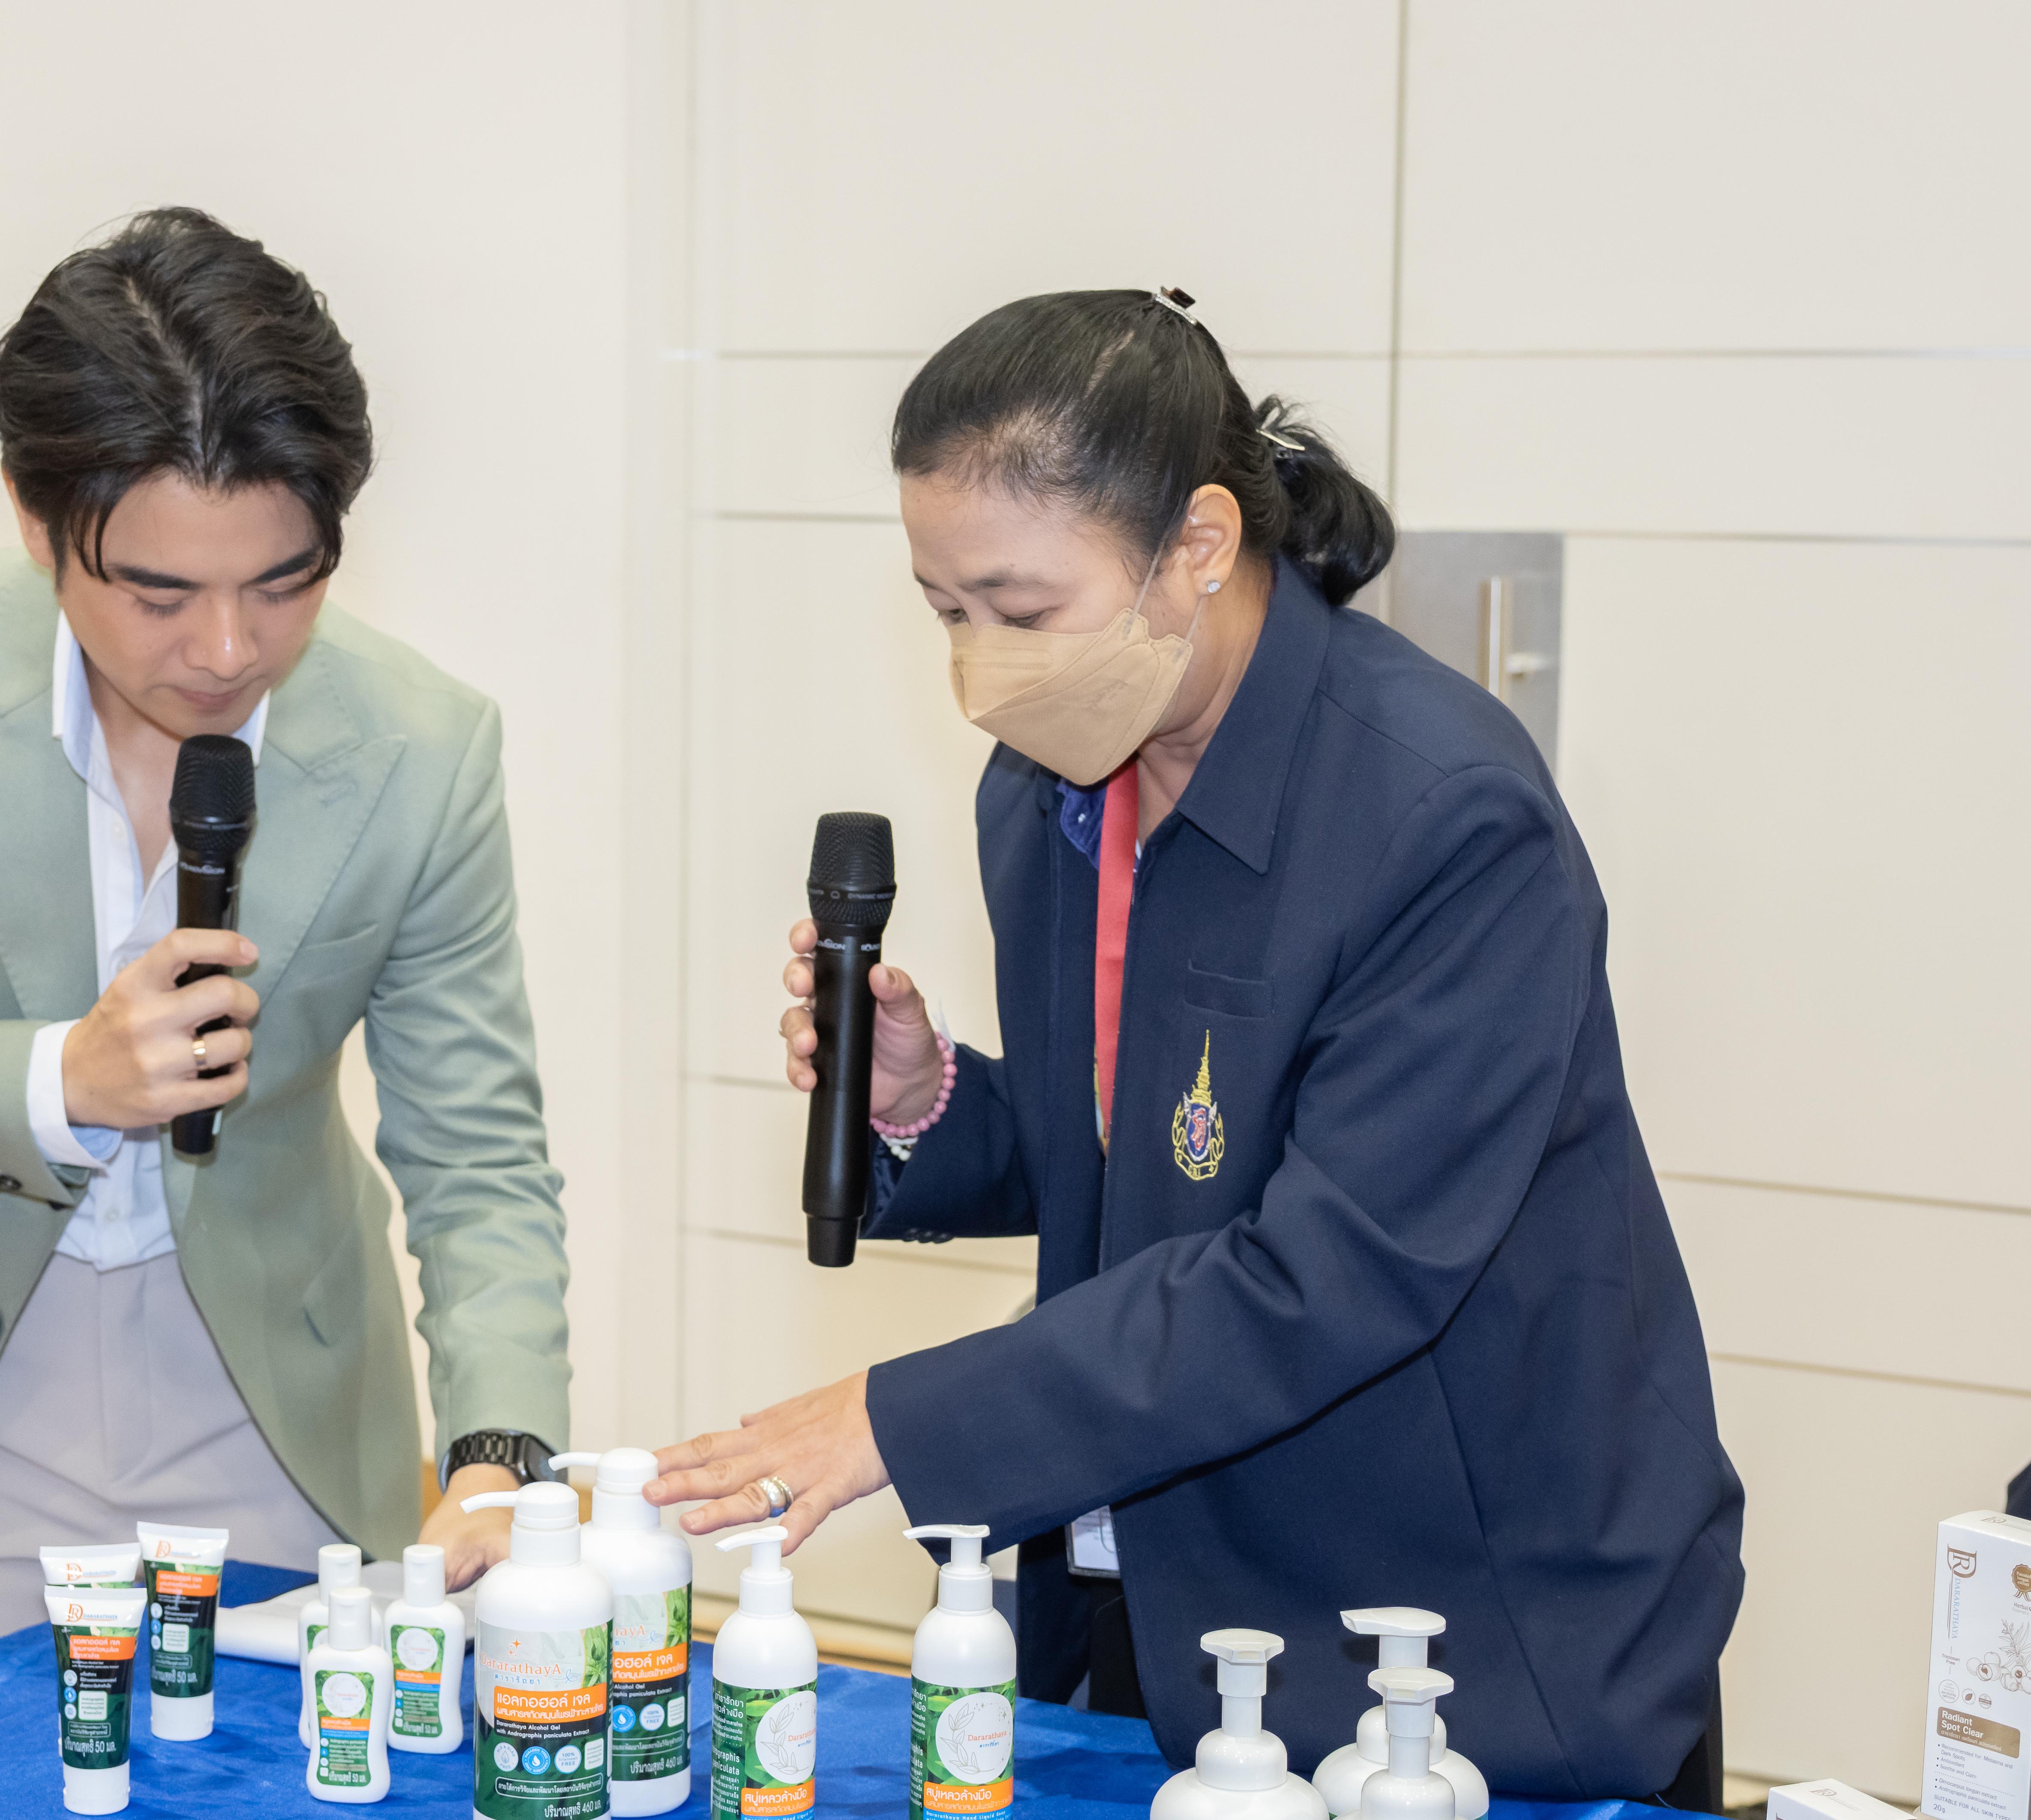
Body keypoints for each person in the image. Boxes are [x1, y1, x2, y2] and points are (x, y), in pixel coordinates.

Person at [648, 288, 1743, 1805]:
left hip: (1457, 1641)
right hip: (1158, 1610)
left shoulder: (1444, 819)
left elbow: (1325, 1272)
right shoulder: (1050, 788)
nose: (981, 671)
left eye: (1022, 609)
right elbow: (1148, 1163)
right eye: (946, 611)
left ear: (1199, 547)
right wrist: (929, 1101)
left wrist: (894, 1418)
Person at [0, 208, 573, 1671]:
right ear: (35, 522)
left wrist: (502, 1452)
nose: (228, 650)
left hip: (274, 1388)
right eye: (160, 592)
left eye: (285, 580)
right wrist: (64, 1079)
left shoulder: (425, 748)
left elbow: (477, 1151)